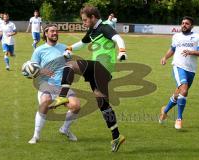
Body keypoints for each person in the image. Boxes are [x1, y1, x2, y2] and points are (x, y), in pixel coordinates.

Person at [49, 6, 126, 152]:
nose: (83, 22)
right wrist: (70, 48)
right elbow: (82, 43)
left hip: (101, 67)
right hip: (100, 73)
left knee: (71, 65)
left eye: (85, 20)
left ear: (93, 17)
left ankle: (62, 96)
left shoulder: (104, 27)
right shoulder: (92, 31)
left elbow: (118, 38)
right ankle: (117, 136)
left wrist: (122, 51)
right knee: (103, 105)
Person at [28, 24, 80, 144]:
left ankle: (65, 129)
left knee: (76, 106)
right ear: (46, 33)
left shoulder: (65, 48)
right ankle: (36, 135)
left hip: (63, 86)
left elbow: (70, 65)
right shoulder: (39, 50)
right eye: (52, 31)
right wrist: (42, 70)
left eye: (56, 31)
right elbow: (32, 68)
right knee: (45, 101)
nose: (55, 33)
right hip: (46, 84)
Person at [159, 16, 199, 129]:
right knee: (184, 90)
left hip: (191, 70)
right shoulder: (176, 36)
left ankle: (164, 111)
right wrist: (165, 57)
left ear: (191, 26)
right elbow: (172, 49)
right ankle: (179, 119)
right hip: (178, 66)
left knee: (179, 94)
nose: (184, 25)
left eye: (187, 23)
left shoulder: (197, 37)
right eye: (182, 23)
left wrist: (192, 52)